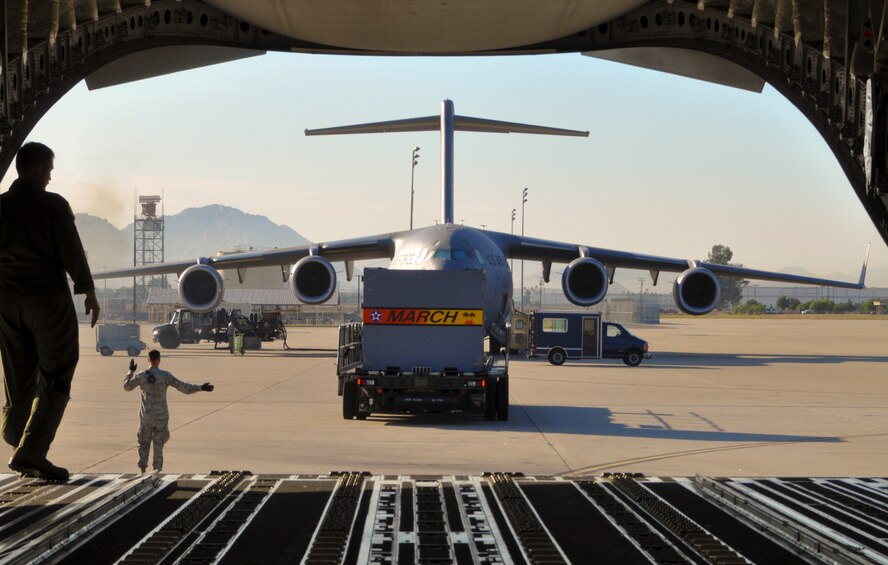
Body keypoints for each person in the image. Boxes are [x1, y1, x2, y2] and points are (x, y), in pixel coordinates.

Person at [0, 142, 100, 481]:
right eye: (50, 169)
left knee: (18, 375)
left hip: (6, 302)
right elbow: (71, 250)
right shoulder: (52, 205)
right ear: (41, 168)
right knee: (58, 369)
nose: (51, 175)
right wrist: (87, 289)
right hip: (46, 299)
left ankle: (16, 435)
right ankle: (32, 447)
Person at [124, 351, 214, 473]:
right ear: (159, 360)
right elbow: (183, 387)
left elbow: (127, 387)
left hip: (146, 417)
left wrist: (130, 371)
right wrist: (200, 387)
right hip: (161, 417)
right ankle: (156, 470)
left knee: (143, 443)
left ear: (148, 360)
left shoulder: (141, 375)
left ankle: (142, 470)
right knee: (158, 444)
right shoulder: (165, 375)